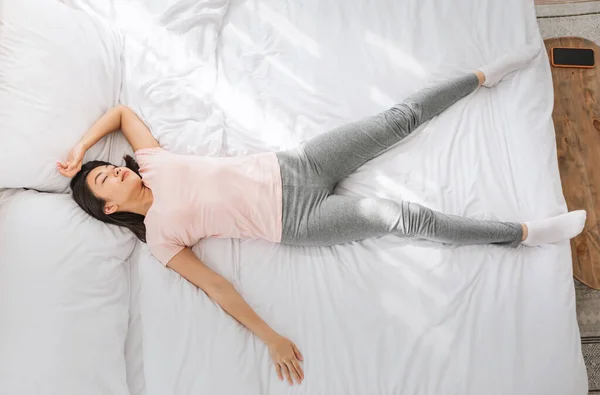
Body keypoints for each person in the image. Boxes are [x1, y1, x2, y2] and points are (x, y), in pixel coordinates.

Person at [58, 44, 585, 386]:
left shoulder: (151, 161)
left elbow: (123, 114)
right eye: (106, 180)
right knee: (403, 217)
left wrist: (82, 149)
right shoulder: (161, 239)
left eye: (110, 168)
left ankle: (483, 75)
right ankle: (522, 234)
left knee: (397, 119)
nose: (117, 172)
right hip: (300, 220)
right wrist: (270, 337)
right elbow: (218, 288)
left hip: (298, 163)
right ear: (110, 207)